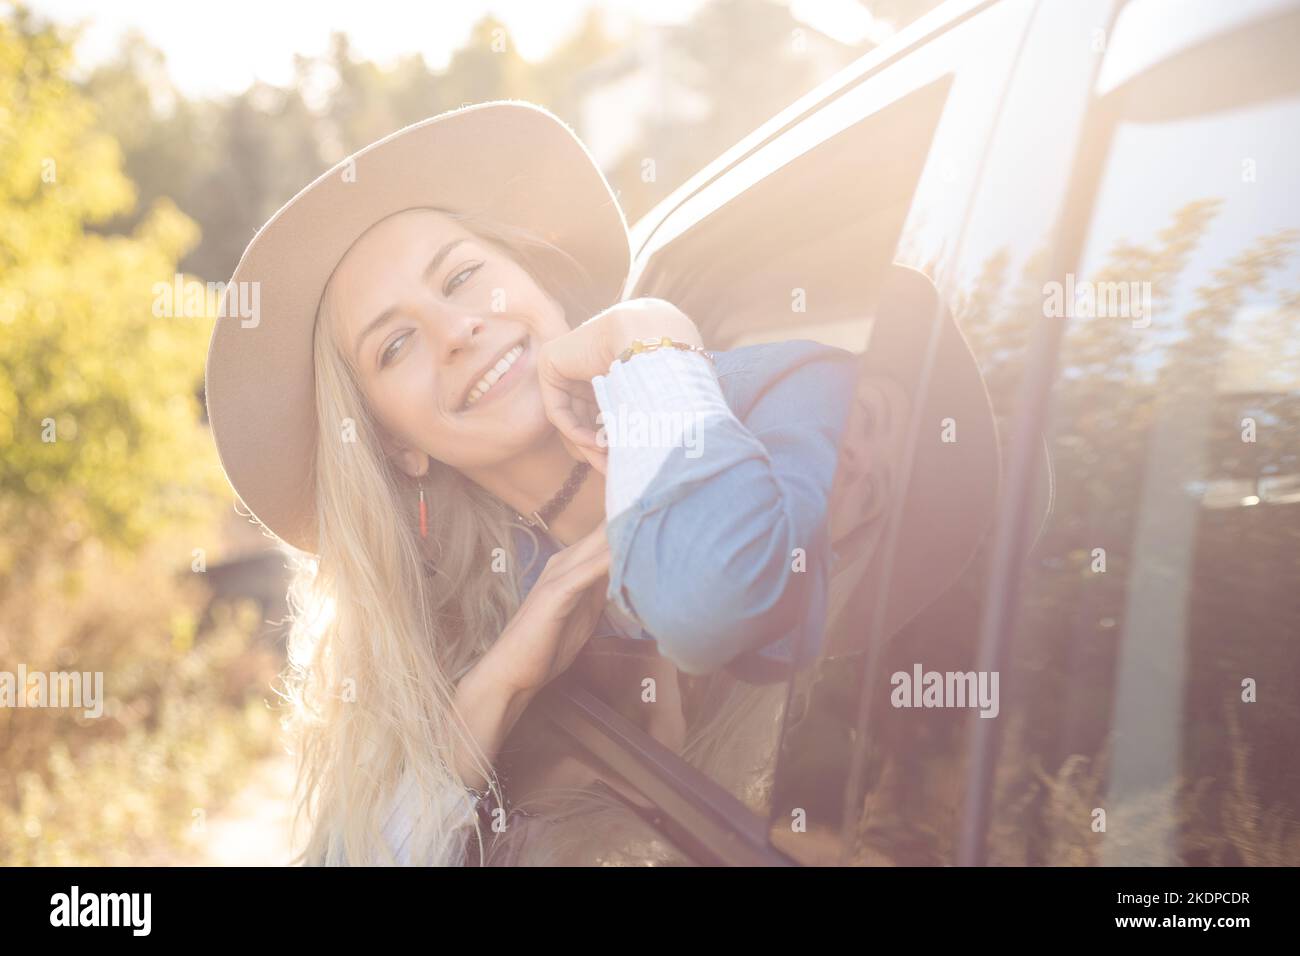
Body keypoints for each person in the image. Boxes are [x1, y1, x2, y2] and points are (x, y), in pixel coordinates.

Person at [203, 101, 1004, 866]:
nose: (456, 331)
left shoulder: (793, 389)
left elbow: (710, 602)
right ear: (397, 445)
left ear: (539, 279)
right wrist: (501, 682)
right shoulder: (452, 593)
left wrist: (648, 329)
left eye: (460, 279)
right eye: (396, 345)